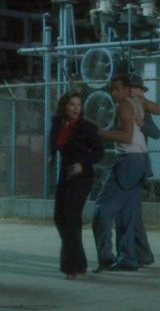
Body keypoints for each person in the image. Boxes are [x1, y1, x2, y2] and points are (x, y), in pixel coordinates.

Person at [92, 75, 150, 272]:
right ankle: (128, 258)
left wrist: (98, 132)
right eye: (111, 89)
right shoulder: (134, 103)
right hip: (141, 160)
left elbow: (126, 137)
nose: (114, 93)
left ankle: (106, 258)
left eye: (117, 88)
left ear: (127, 89)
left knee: (102, 210)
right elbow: (158, 110)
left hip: (129, 161)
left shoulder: (124, 105)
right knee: (127, 212)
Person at [49, 91, 104, 279]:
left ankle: (72, 266)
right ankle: (79, 263)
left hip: (82, 176)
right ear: (65, 106)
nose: (75, 108)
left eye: (78, 105)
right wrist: (50, 156)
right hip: (65, 174)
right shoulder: (57, 123)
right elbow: (54, 141)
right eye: (72, 104)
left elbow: (99, 152)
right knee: (59, 217)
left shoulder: (86, 127)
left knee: (71, 218)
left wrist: (82, 164)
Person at [128, 73, 160, 267]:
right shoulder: (124, 108)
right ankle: (138, 253)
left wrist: (142, 126)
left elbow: (156, 133)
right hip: (129, 163)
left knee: (131, 211)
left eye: (137, 88)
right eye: (132, 88)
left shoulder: (144, 109)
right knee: (129, 211)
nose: (135, 91)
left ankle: (142, 253)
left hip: (138, 164)